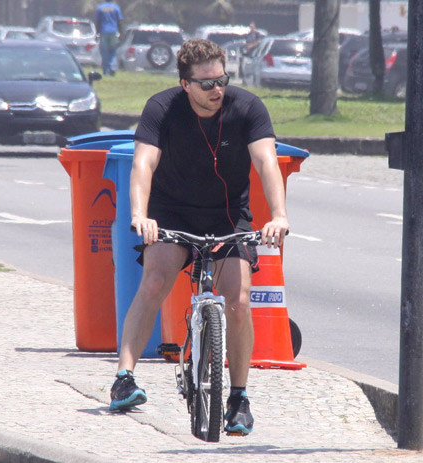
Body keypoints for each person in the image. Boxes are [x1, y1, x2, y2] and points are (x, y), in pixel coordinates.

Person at [109, 38, 289, 437]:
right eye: (206, 83)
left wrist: (278, 215)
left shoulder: (247, 108)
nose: (216, 90)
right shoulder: (162, 108)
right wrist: (140, 216)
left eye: (221, 79)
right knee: (154, 281)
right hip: (171, 213)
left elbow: (266, 162)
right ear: (185, 83)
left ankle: (239, 398)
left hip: (228, 217)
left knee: (239, 301)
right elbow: (142, 164)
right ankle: (124, 377)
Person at [95, 1, 123, 75]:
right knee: (113, 51)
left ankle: (106, 71)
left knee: (104, 52)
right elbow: (119, 21)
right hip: (113, 32)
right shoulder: (116, 7)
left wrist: (97, 33)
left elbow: (98, 21)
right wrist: (121, 33)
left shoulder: (100, 7)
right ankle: (113, 67)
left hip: (103, 31)